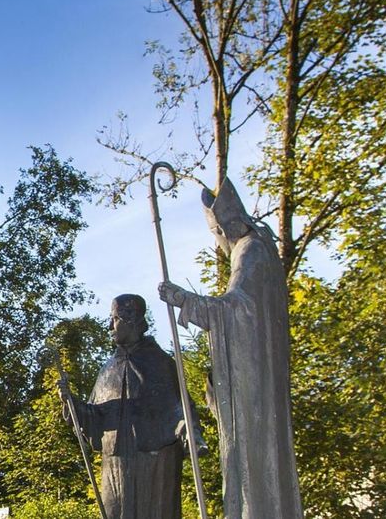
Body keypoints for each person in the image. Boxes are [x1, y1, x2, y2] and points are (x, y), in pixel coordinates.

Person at [158, 178, 303, 518]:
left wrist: (184, 299)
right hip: (258, 377)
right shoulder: (262, 252)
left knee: (250, 453)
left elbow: (236, 310)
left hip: (254, 387)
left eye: (215, 233)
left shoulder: (249, 251)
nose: (218, 241)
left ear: (224, 227)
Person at [59, 294, 203, 519]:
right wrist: (72, 404)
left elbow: (181, 408)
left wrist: (189, 430)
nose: (109, 326)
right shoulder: (107, 369)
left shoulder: (161, 363)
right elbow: (96, 417)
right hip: (116, 462)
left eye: (114, 318)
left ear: (132, 320)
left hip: (154, 461)